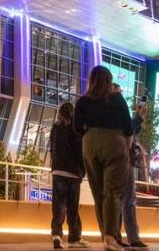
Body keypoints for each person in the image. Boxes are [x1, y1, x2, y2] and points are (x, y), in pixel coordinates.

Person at [74, 66, 133, 251]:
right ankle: (111, 237)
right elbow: (128, 127)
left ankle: (107, 237)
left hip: (90, 143)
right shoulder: (116, 98)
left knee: (98, 193)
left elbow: (76, 127)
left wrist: (90, 134)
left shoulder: (83, 101)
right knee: (113, 193)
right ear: (109, 80)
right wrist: (126, 146)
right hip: (114, 142)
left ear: (91, 80)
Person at [50, 102, 89, 250]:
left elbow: (52, 149)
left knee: (58, 205)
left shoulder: (55, 129)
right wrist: (83, 171)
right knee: (72, 207)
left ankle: (57, 235)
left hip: (58, 171)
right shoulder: (75, 130)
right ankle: (74, 237)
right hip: (72, 172)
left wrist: (54, 166)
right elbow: (80, 152)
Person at [119, 97, 148, 248]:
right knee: (128, 199)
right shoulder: (115, 110)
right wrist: (138, 118)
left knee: (116, 199)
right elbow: (127, 131)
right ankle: (133, 237)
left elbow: (131, 132)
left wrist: (139, 118)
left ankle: (115, 236)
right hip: (122, 159)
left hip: (120, 159)